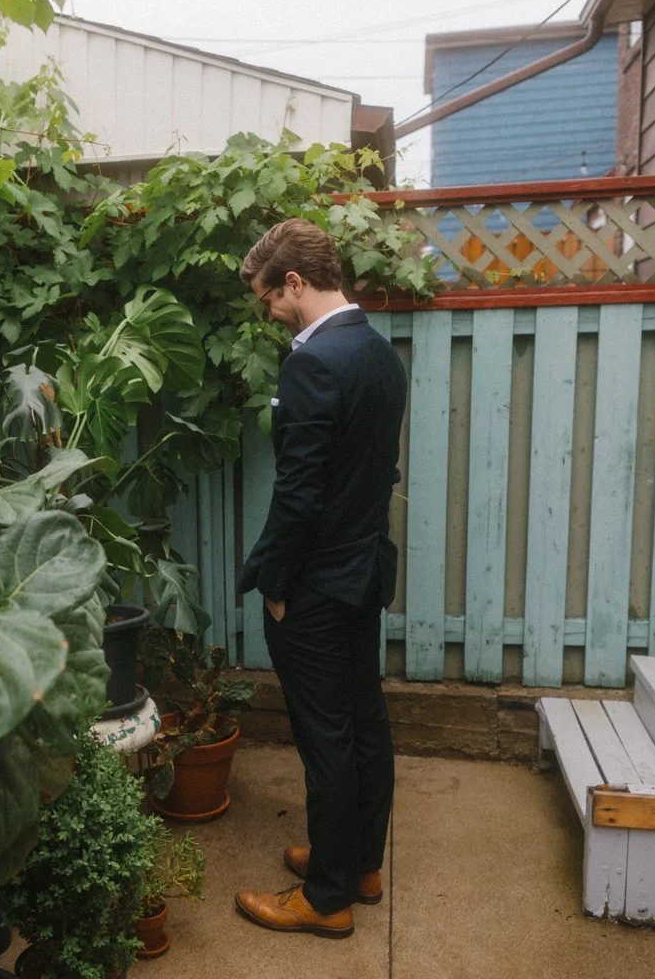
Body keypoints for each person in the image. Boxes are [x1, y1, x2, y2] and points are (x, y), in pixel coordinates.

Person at [232, 218, 405, 939]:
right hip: (363, 572)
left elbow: (299, 495)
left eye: (269, 298)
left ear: (295, 283)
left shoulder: (313, 364)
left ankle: (327, 898)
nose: (268, 312)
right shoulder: (379, 354)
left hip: (314, 588)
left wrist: (275, 583)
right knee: (363, 721)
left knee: (324, 737)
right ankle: (359, 862)